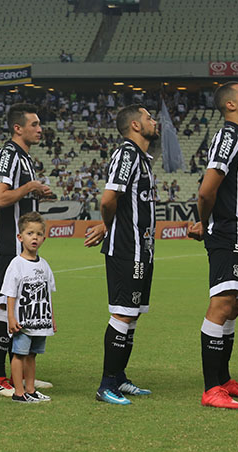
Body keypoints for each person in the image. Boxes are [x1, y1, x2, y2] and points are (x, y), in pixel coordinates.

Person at [189, 81, 238, 409]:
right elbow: (207, 190)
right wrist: (204, 221)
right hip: (227, 233)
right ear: (230, 105)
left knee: (236, 304)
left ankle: (224, 379)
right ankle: (210, 388)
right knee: (222, 303)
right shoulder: (228, 137)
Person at [84, 104, 159, 405]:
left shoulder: (142, 158)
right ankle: (106, 385)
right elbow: (108, 198)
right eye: (149, 118)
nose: (154, 122)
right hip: (127, 250)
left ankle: (119, 377)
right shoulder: (126, 154)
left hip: (143, 251)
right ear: (136, 126)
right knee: (122, 312)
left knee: (133, 315)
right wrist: (107, 225)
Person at [0, 103, 52, 396]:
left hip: (23, 249)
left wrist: (36, 192)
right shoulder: (8, 156)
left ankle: (22, 374)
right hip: (9, 247)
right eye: (35, 124)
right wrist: (29, 188)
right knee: (5, 307)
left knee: (22, 308)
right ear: (18, 128)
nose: (40, 129)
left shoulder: (25, 159)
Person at [1, 212, 56, 403]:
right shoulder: (16, 264)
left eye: (39, 234)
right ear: (20, 237)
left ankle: (31, 390)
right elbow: (10, 293)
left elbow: (47, 296)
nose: (35, 237)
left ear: (44, 238)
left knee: (32, 355)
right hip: (23, 322)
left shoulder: (45, 265)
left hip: (40, 321)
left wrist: (52, 320)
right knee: (19, 355)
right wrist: (10, 317)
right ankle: (18, 392)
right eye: (30, 233)